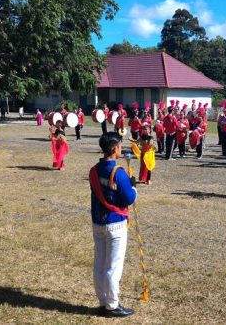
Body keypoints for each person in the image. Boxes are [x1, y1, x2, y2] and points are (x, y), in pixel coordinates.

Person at [88, 132, 137, 317]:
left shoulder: (94, 170)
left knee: (100, 263)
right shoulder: (119, 172)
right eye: (120, 146)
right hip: (115, 224)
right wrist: (132, 186)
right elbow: (129, 198)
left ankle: (103, 300)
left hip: (98, 221)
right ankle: (112, 304)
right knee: (113, 266)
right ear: (114, 149)